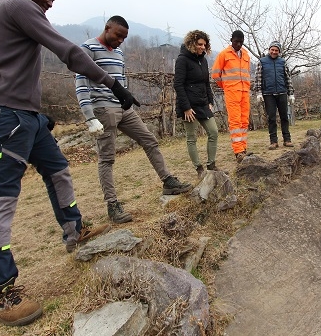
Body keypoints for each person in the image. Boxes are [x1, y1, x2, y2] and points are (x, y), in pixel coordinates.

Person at [0, 0, 139, 327]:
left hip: (26, 116)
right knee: (0, 196)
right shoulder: (16, 6)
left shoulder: (18, 15)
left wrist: (37, 113)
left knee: (59, 171)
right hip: (6, 116)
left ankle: (74, 229)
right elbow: (67, 51)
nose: (49, 5)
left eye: (52, 0)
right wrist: (113, 84)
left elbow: (14, 69)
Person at [75, 15, 192, 224]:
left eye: (124, 37)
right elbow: (81, 84)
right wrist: (89, 116)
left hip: (123, 108)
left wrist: (127, 95)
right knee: (107, 158)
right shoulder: (88, 49)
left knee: (149, 140)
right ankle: (112, 205)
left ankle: (168, 181)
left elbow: (119, 81)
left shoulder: (118, 52)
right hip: (103, 109)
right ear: (107, 28)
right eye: (118, 35)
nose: (120, 40)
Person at [174, 30, 220, 178]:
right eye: (200, 44)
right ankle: (199, 169)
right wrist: (186, 108)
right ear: (192, 43)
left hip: (203, 104)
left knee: (213, 132)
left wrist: (210, 101)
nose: (202, 47)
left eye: (204, 45)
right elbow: (178, 85)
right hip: (189, 106)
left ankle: (211, 165)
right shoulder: (182, 60)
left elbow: (206, 83)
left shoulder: (203, 60)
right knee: (191, 137)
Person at [211, 30, 251, 163]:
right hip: (232, 92)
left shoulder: (246, 54)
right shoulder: (224, 54)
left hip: (244, 91)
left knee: (244, 121)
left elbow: (246, 73)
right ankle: (238, 151)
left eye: (241, 42)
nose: (238, 44)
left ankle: (244, 148)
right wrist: (226, 86)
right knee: (235, 121)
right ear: (231, 40)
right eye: (236, 41)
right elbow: (215, 74)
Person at [254, 41, 295, 149]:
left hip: (282, 92)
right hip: (268, 94)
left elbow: (288, 78)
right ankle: (273, 141)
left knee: (284, 117)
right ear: (269, 50)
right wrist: (258, 92)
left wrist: (291, 93)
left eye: (276, 50)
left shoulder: (282, 62)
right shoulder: (262, 62)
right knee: (271, 118)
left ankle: (287, 139)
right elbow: (258, 78)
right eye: (272, 49)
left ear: (279, 52)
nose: (274, 52)